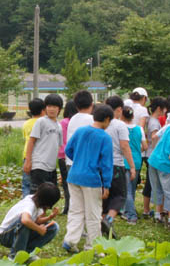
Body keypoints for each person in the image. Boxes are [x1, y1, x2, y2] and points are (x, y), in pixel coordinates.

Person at [62, 104, 114, 253]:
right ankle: (93, 247)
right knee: (93, 214)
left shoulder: (80, 131)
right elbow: (106, 165)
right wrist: (107, 185)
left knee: (76, 210)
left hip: (74, 175)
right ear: (106, 119)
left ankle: (70, 240)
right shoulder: (105, 137)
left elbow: (68, 150)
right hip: (92, 179)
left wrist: (78, 160)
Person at [0, 182, 60, 261]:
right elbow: (25, 220)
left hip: (20, 233)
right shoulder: (29, 204)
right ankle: (15, 257)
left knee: (53, 227)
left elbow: (37, 221)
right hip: (5, 236)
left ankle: (27, 253)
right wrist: (39, 229)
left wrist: (50, 217)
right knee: (25, 223)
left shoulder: (37, 201)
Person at [103, 96, 136, 231]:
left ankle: (103, 221)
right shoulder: (119, 125)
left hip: (102, 165)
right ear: (119, 110)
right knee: (120, 196)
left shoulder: (100, 123)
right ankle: (108, 220)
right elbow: (124, 146)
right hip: (116, 165)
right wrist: (132, 167)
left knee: (105, 196)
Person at [24, 94, 63, 192]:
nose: (51, 109)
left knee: (50, 196)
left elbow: (58, 146)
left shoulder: (59, 126)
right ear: (45, 108)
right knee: (37, 196)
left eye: (54, 106)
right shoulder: (41, 122)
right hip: (39, 165)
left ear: (59, 109)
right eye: (49, 106)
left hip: (51, 168)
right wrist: (28, 161)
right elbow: (31, 141)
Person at [121, 106, 147, 225]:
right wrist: (137, 151)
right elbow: (145, 147)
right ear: (133, 116)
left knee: (127, 190)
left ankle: (131, 215)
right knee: (132, 188)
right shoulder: (140, 129)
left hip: (125, 161)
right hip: (137, 161)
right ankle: (128, 210)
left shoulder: (121, 128)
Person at [142, 97, 166, 219]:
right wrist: (158, 148)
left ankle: (146, 209)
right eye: (164, 108)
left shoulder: (149, 120)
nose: (165, 111)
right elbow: (154, 137)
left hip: (148, 154)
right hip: (152, 154)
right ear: (158, 109)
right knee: (151, 184)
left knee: (149, 183)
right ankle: (147, 209)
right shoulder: (154, 122)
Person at [21, 99, 46, 197]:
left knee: (26, 184)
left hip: (26, 156)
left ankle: (24, 206)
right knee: (38, 185)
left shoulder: (26, 124)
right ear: (43, 110)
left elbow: (25, 138)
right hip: (39, 157)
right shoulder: (43, 123)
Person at [58, 100, 77, 215]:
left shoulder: (63, 122)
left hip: (62, 155)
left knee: (66, 183)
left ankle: (67, 206)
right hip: (74, 156)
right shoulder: (76, 122)